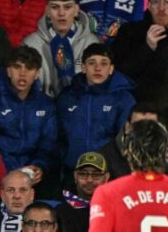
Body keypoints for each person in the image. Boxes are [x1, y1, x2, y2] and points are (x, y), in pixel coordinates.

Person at [0, 45, 57, 180]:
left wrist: (39, 166)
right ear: (8, 71)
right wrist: (12, 171)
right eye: (17, 67)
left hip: (34, 174)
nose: (22, 73)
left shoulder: (46, 104)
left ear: (37, 74)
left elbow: (48, 145)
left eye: (29, 68)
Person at [56, 43, 135, 172]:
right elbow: (58, 137)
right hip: (73, 170)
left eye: (104, 63)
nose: (98, 68)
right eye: (92, 63)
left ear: (111, 69)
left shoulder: (124, 99)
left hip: (109, 172)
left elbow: (127, 141)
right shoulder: (67, 97)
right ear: (83, 67)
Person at [21, 0, 99, 97]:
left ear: (76, 10)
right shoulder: (30, 44)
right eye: (55, 7)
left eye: (67, 7)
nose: (61, 13)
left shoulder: (92, 43)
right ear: (47, 11)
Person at [57, 152, 110, 232]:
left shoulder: (116, 209)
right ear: (75, 176)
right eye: (83, 174)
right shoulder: (61, 212)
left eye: (96, 175)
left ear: (106, 178)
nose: (89, 180)